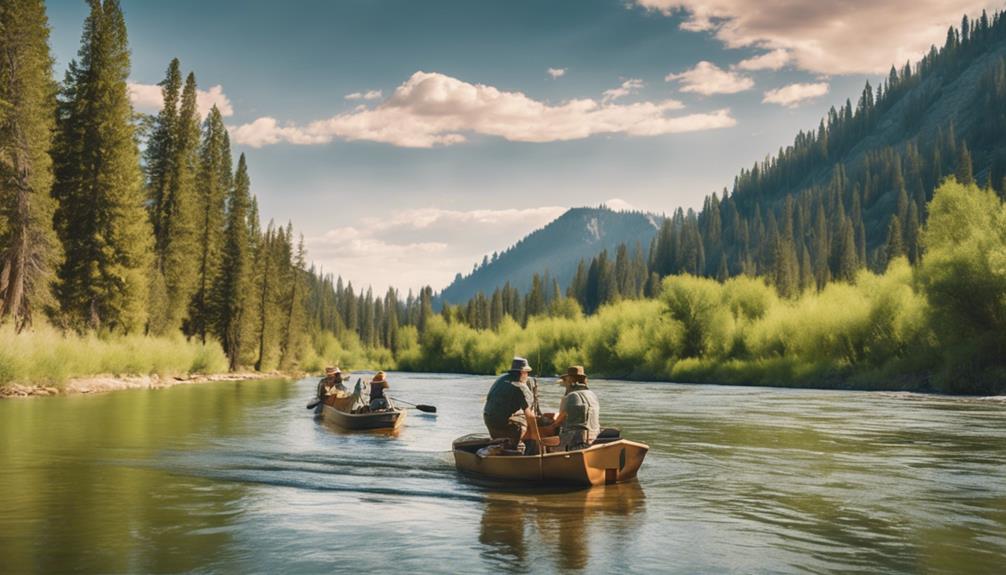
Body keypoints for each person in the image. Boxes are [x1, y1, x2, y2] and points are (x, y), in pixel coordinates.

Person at [483, 357, 542, 454]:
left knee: (518, 417)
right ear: (522, 372)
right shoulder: (521, 387)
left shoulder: (501, 379)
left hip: (489, 421)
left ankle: (500, 443)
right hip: (501, 425)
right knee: (524, 421)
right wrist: (536, 437)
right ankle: (514, 446)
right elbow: (530, 416)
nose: (527, 375)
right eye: (527, 373)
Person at [541, 366, 600, 451]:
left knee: (542, 437)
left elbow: (557, 423)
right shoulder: (592, 395)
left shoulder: (571, 396)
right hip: (594, 439)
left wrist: (543, 429)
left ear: (570, 380)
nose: (564, 384)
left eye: (565, 380)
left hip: (576, 442)